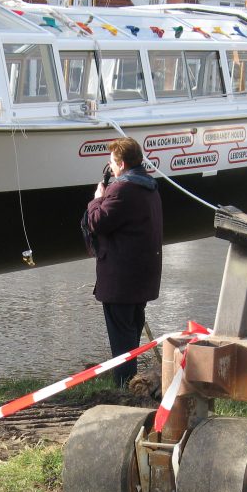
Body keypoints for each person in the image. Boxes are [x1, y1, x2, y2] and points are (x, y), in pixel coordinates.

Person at [85, 137, 163, 387]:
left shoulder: (122, 189)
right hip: (142, 276)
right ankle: (131, 382)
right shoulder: (149, 186)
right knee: (131, 333)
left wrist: (97, 197)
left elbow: (97, 222)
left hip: (121, 280)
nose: (110, 167)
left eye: (111, 162)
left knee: (122, 338)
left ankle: (123, 386)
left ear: (121, 163)